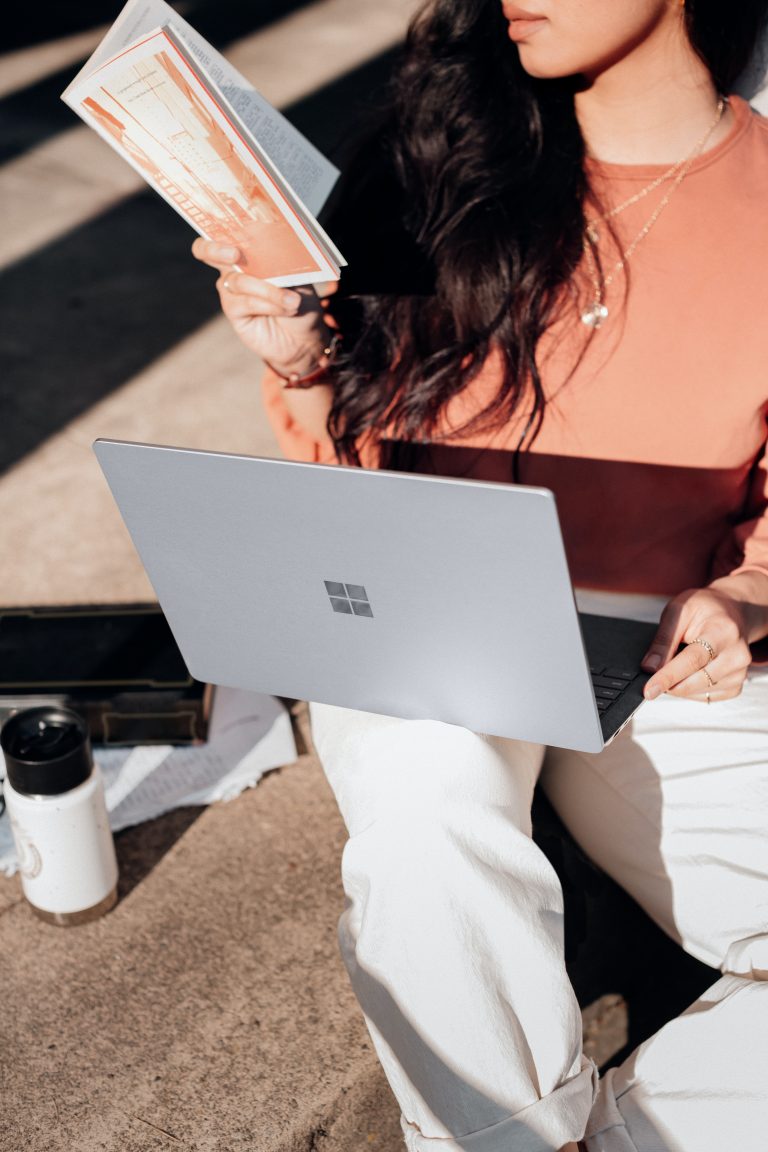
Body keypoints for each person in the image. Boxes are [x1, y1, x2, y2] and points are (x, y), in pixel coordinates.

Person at [192, 2, 768, 1148]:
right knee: (425, 805)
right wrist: (304, 361)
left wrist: (750, 591)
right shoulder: (438, 158)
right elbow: (349, 472)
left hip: (654, 653)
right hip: (425, 612)